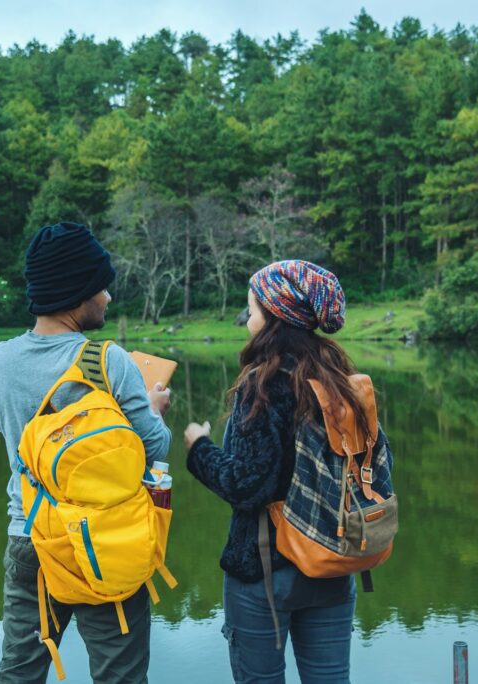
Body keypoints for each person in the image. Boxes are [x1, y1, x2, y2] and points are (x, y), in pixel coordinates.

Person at [0, 221, 172, 684]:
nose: (106, 297)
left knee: (19, 673)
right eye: (100, 287)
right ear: (79, 291)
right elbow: (154, 450)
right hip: (103, 541)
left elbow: (10, 428)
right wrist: (155, 408)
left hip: (30, 537)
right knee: (119, 676)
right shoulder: (108, 361)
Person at [183, 260, 393, 684]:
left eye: (253, 310)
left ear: (276, 317)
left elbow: (247, 485)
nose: (247, 320)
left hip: (266, 569)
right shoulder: (343, 382)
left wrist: (197, 446)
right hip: (333, 560)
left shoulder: (264, 385)